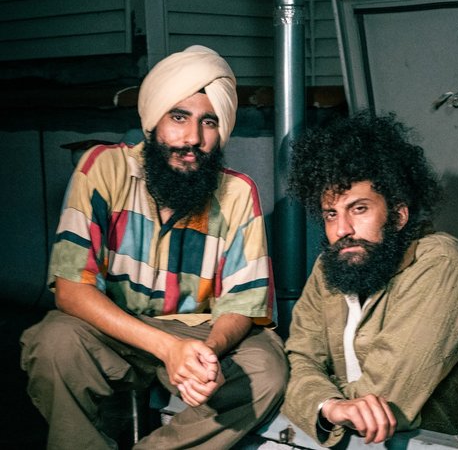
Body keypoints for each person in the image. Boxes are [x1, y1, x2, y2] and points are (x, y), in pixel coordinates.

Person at [20, 45, 287, 449]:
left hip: (199, 331)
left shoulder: (237, 192)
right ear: (154, 120)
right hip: (114, 327)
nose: (193, 138)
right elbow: (72, 289)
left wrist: (204, 353)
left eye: (209, 122)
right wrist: (167, 347)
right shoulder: (103, 168)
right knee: (53, 344)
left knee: (265, 372)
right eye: (179, 117)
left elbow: (242, 306)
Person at [281, 112, 458, 447]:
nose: (342, 229)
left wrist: (313, 399)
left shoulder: (439, 262)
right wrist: (330, 405)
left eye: (359, 209)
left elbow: (387, 397)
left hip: (431, 443)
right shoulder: (328, 267)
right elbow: (298, 360)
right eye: (331, 214)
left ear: (398, 215)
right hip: (349, 442)